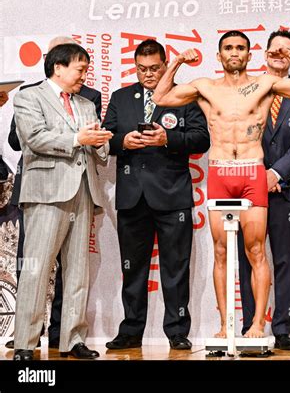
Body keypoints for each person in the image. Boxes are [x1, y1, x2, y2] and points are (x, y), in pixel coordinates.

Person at [152, 30, 290, 338]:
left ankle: (257, 324)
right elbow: (161, 97)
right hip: (220, 171)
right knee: (220, 250)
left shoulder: (265, 84)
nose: (234, 52)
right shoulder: (205, 87)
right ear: (219, 55)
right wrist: (175, 62)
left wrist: (289, 55)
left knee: (256, 250)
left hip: (252, 171)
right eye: (228, 48)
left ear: (248, 54)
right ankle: (225, 324)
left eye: (240, 48)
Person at [103, 39, 210, 351]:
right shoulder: (121, 98)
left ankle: (177, 330)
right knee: (131, 269)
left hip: (172, 195)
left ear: (166, 66)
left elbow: (201, 139)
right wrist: (124, 141)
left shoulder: (184, 96)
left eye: (154, 69)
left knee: (175, 268)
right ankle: (130, 331)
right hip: (132, 196)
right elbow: (106, 138)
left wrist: (168, 138)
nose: (148, 74)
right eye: (141, 69)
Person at [12, 43, 112, 360]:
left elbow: (101, 153)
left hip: (82, 191)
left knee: (78, 270)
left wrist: (99, 142)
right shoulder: (28, 97)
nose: (85, 75)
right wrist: (76, 139)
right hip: (45, 192)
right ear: (59, 67)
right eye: (80, 69)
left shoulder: (85, 104)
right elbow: (34, 138)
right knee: (36, 270)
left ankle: (73, 338)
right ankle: (25, 342)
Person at [237, 30, 290, 349]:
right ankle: (250, 325)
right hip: (248, 188)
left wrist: (276, 172)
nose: (278, 55)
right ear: (264, 53)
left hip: (287, 189)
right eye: (273, 50)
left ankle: (282, 328)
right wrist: (258, 173)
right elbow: (238, 135)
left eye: (286, 51)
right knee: (249, 259)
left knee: (286, 260)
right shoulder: (247, 89)